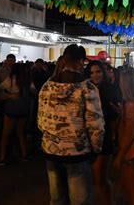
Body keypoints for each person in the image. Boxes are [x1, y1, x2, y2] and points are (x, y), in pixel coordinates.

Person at [38, 44, 104, 205]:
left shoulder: (47, 86)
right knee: (80, 200)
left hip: (51, 151)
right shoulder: (87, 88)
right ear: (81, 61)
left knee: (57, 199)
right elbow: (96, 125)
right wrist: (96, 150)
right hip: (77, 153)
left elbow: (40, 121)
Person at [85, 60, 119, 205]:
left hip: (104, 138)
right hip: (87, 139)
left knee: (100, 178)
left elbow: (115, 116)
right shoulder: (86, 89)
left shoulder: (110, 89)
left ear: (103, 72)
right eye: (91, 72)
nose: (95, 75)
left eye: (98, 71)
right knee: (91, 178)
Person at [113, 69, 134, 205]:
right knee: (133, 189)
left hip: (132, 151)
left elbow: (129, 133)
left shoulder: (130, 105)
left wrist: (119, 155)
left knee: (131, 190)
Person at [0, 63, 33, 165]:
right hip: (24, 110)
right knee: (20, 133)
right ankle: (24, 155)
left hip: (11, 109)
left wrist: (8, 95)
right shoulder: (27, 79)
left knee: (5, 134)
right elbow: (34, 91)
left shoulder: (11, 79)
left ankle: (2, 157)